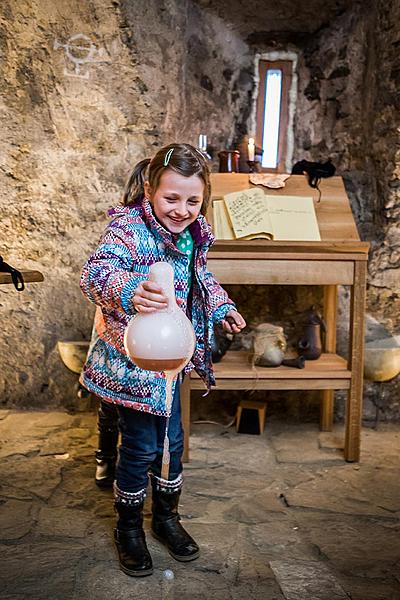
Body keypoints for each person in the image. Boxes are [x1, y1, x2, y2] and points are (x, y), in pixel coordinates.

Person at [79, 143, 246, 577]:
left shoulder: (193, 234)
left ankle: (167, 518)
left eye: (193, 201)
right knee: (141, 447)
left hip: (171, 362)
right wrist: (129, 289)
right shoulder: (128, 229)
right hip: (132, 362)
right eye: (171, 198)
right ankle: (128, 527)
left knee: (173, 445)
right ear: (150, 189)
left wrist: (222, 306)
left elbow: (200, 278)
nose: (182, 209)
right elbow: (96, 273)